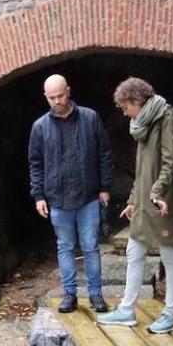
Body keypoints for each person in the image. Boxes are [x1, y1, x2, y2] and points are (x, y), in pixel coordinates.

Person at [98, 77, 173, 334]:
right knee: (134, 251)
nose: (124, 111)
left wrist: (157, 193)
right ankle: (127, 311)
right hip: (145, 201)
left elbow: (170, 164)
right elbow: (143, 171)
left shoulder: (167, 120)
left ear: (136, 101)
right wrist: (132, 200)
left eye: (125, 106)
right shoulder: (143, 123)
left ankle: (170, 314)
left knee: (170, 255)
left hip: (164, 201)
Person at [28, 74, 113, 314]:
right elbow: (35, 164)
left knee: (90, 247)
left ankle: (96, 294)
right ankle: (69, 295)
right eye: (52, 97)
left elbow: (104, 154)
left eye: (60, 95)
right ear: (46, 97)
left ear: (69, 91)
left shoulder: (90, 118)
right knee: (65, 247)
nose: (57, 101)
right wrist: (39, 196)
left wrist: (105, 187)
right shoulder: (40, 127)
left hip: (88, 196)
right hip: (58, 198)